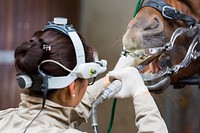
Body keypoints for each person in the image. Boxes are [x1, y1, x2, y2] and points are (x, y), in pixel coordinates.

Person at [0, 17, 168, 133]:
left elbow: (58, 110)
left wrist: (107, 81)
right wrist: (141, 94)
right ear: (72, 87)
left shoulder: (4, 119)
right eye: (88, 80)